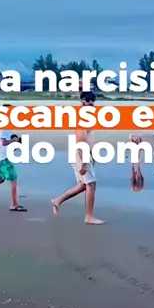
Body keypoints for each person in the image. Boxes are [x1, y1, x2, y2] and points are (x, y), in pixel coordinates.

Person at [51, 90, 104, 225]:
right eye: (87, 100)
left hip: (84, 153)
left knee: (83, 185)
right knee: (91, 184)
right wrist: (84, 162)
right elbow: (80, 141)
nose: (91, 103)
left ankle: (58, 200)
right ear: (82, 101)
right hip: (80, 153)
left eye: (93, 100)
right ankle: (89, 216)